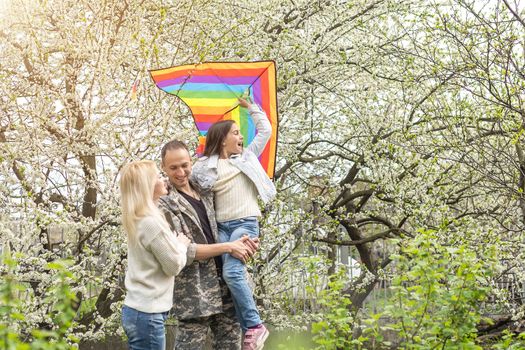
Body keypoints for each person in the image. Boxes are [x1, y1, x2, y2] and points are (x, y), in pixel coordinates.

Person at [191, 98, 276, 350]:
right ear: (222, 138)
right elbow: (189, 181)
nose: (240, 137)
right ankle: (248, 327)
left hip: (245, 225)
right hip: (222, 228)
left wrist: (251, 108)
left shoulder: (247, 157)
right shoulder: (205, 166)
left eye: (240, 133)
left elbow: (266, 131)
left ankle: (255, 325)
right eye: (236, 133)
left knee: (232, 272)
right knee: (229, 278)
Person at [159, 140, 259, 350]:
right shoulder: (164, 203)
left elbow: (233, 217)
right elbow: (185, 251)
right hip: (195, 295)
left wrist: (246, 240)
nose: (180, 172)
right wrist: (229, 247)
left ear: (191, 162)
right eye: (173, 167)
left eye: (185, 165)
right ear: (163, 168)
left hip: (227, 291)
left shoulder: (206, 188)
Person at [120, 160, 191, 350]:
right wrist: (182, 245)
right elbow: (173, 265)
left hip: (138, 311)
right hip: (148, 313)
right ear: (148, 186)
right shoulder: (151, 222)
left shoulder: (138, 218)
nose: (163, 179)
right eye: (158, 177)